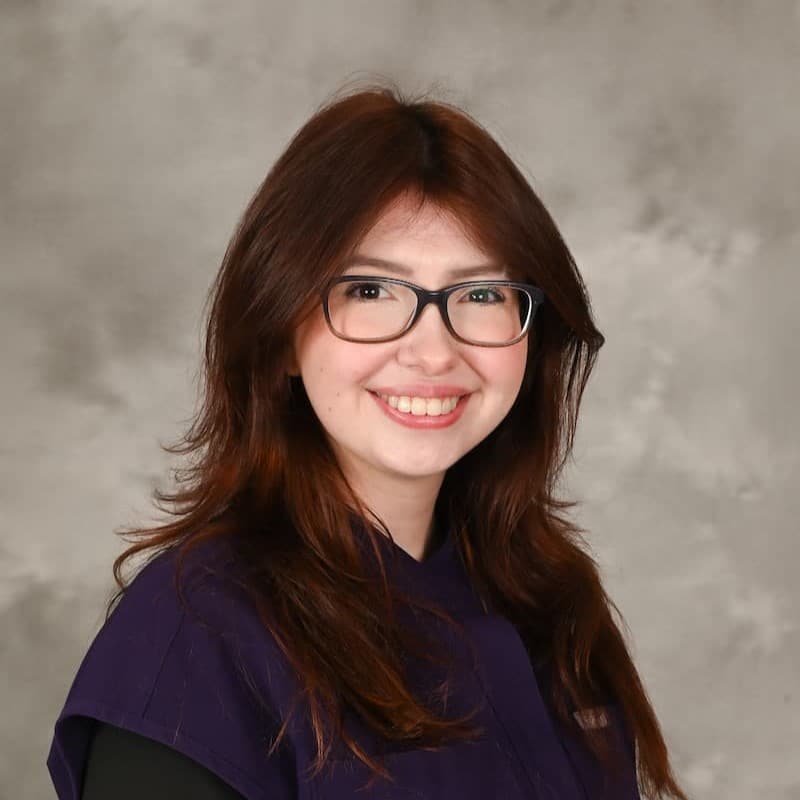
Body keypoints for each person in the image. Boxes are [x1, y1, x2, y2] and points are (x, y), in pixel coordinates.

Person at [47, 79, 688, 799]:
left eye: (481, 294)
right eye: (371, 291)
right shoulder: (196, 634)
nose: (433, 352)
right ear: (280, 332)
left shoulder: (551, 602)